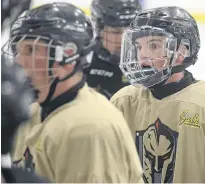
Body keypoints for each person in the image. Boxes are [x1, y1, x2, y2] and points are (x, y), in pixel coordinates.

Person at [5, 2, 144, 183]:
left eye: (31, 50)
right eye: (18, 51)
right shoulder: (32, 111)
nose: (19, 62)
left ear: (68, 56)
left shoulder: (90, 128)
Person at [111, 6, 205, 183]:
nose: (142, 55)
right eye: (139, 47)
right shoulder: (123, 101)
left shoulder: (201, 103)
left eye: (154, 45)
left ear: (182, 51)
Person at [84, 0, 142, 99]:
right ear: (99, 30)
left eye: (130, 31)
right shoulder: (83, 61)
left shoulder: (148, 61)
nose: (124, 39)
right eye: (115, 32)